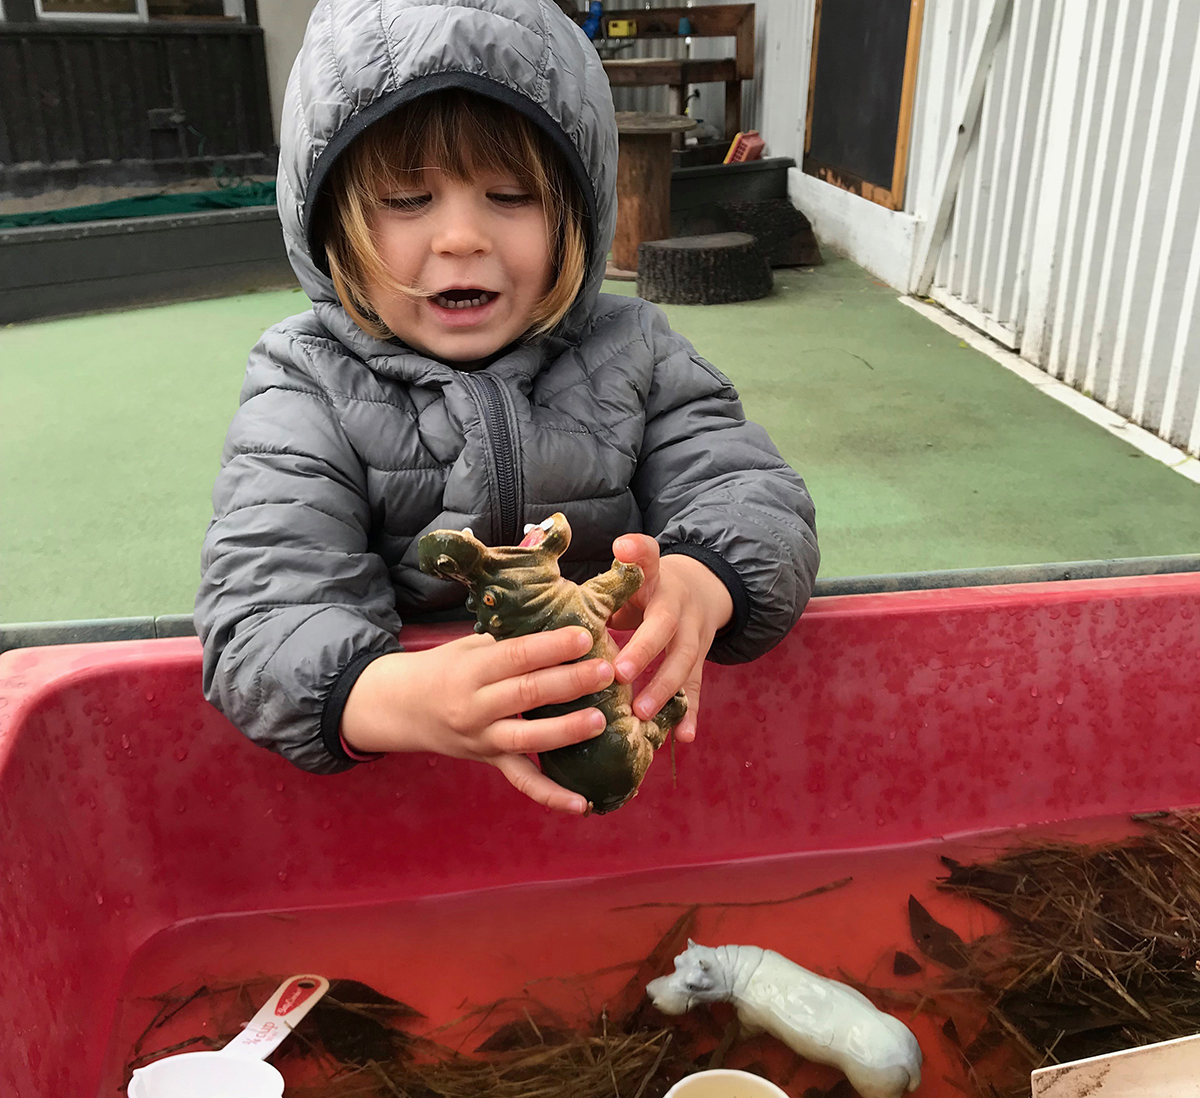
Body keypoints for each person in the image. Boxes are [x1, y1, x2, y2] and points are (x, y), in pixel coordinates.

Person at [195, 0, 819, 816]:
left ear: (576, 213)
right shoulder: (306, 384)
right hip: (406, 796)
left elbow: (751, 489)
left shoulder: (631, 346)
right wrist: (395, 696)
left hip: (609, 733)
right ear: (332, 219)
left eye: (511, 194)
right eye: (408, 200)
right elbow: (262, 611)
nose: (462, 237)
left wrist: (705, 581)